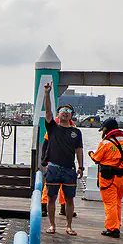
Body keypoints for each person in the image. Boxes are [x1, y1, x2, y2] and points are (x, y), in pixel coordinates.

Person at [41, 82, 84, 235]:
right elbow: (47, 112)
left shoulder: (76, 132)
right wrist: (47, 93)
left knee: (69, 199)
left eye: (68, 111)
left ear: (71, 115)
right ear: (58, 114)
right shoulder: (52, 127)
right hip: (53, 167)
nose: (65, 113)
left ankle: (69, 226)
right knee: (51, 197)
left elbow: (79, 149)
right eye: (62, 111)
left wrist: (81, 166)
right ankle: (52, 225)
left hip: (69, 169)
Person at [88, 118, 123, 237]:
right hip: (122, 176)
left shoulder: (106, 143)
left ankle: (112, 228)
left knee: (110, 203)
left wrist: (91, 154)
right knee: (118, 201)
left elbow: (96, 159)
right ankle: (117, 224)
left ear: (106, 129)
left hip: (108, 177)